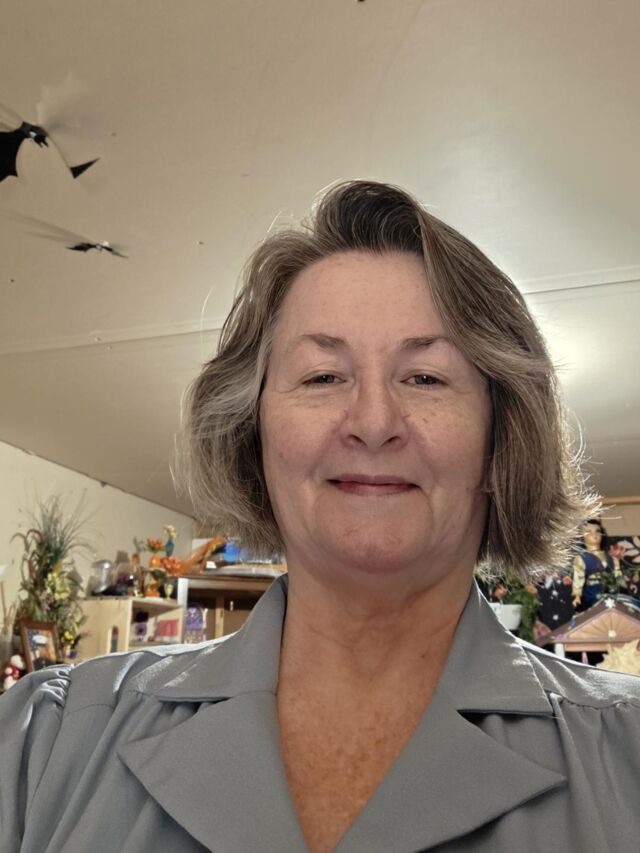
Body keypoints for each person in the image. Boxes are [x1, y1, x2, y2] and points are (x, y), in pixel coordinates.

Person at [1, 181, 640, 853]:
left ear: (500, 435)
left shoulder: (626, 755)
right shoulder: (44, 743)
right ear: (253, 431)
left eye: (425, 377)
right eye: (322, 376)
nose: (373, 421)